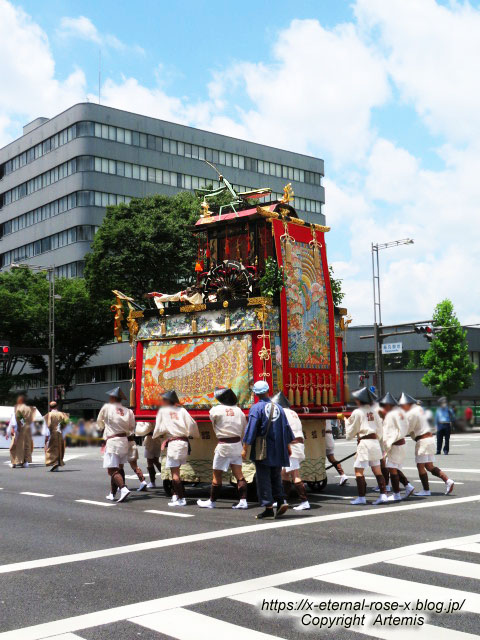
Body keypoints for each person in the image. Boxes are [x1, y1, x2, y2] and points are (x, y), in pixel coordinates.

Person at [243, 380, 295, 520]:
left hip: (263, 448)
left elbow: (251, 429)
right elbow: (286, 427)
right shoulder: (278, 407)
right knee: (276, 476)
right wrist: (288, 446)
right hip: (279, 447)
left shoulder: (256, 408)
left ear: (255, 393)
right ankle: (280, 501)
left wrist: (245, 447)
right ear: (268, 391)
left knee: (263, 478)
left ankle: (268, 508)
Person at [197, 386, 248, 510]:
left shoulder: (217, 409)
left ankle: (212, 501)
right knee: (239, 474)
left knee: (217, 474)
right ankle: (243, 500)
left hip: (224, 445)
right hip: (237, 444)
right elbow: (244, 429)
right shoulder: (239, 411)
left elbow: (212, 418)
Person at [399, 392, 454, 496]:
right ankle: (447, 480)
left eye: (402, 405)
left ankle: (426, 490)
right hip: (429, 438)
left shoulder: (411, 412)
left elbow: (407, 428)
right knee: (429, 466)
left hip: (422, 441)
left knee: (420, 466)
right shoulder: (421, 410)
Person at [152, 390, 199, 507]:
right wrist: (191, 433)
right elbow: (192, 424)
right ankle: (176, 495)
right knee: (178, 471)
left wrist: (155, 435)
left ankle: (181, 499)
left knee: (175, 474)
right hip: (183, 443)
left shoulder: (163, 411)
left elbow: (159, 427)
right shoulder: (182, 410)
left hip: (174, 443)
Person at [345, 387, 387, 506]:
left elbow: (352, 429)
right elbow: (379, 429)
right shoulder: (374, 411)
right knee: (377, 470)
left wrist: (346, 422)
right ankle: (383, 494)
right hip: (374, 442)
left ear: (359, 400)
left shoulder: (357, 412)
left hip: (365, 442)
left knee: (358, 470)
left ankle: (362, 497)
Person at [272, 391, 310, 511]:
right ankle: (282, 500)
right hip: (297, 444)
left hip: (291, 446)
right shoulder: (293, 412)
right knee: (284, 473)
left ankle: (305, 501)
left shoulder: (281, 413)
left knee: (295, 474)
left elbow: (281, 430)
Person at [97, 387, 133, 503]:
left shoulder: (107, 407)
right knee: (119, 467)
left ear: (112, 397)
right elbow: (132, 427)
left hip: (113, 441)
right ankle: (112, 493)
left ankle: (123, 488)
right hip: (124, 440)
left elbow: (99, 422)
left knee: (112, 470)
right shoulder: (128, 411)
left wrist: (103, 427)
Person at [379, 393, 415, 502]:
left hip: (395, 444)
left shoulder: (391, 415)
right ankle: (407, 486)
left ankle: (397, 494)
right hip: (401, 443)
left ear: (388, 405)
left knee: (392, 469)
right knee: (395, 468)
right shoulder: (400, 413)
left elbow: (388, 432)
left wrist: (385, 445)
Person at [9, 395, 36, 469]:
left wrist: (13, 429)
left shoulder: (17, 408)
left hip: (19, 429)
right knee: (26, 446)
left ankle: (14, 462)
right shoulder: (30, 409)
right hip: (27, 430)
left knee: (14, 446)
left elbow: (14, 420)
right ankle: (25, 462)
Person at [44, 401, 69, 472]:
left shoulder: (49, 415)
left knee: (52, 448)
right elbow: (67, 422)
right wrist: (62, 427)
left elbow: (48, 425)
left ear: (50, 407)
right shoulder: (62, 414)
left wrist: (47, 435)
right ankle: (58, 462)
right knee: (59, 448)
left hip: (52, 433)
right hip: (60, 433)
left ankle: (54, 463)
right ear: (57, 406)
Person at [136, 421, 161, 488]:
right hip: (157, 439)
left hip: (151, 440)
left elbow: (144, 430)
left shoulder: (149, 420)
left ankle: (153, 482)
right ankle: (166, 477)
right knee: (155, 461)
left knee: (150, 462)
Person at [325, 418, 348, 486]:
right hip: (329, 436)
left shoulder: (322, 415)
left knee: (319, 457)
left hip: (324, 437)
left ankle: (318, 475)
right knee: (331, 458)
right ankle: (343, 475)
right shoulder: (326, 414)